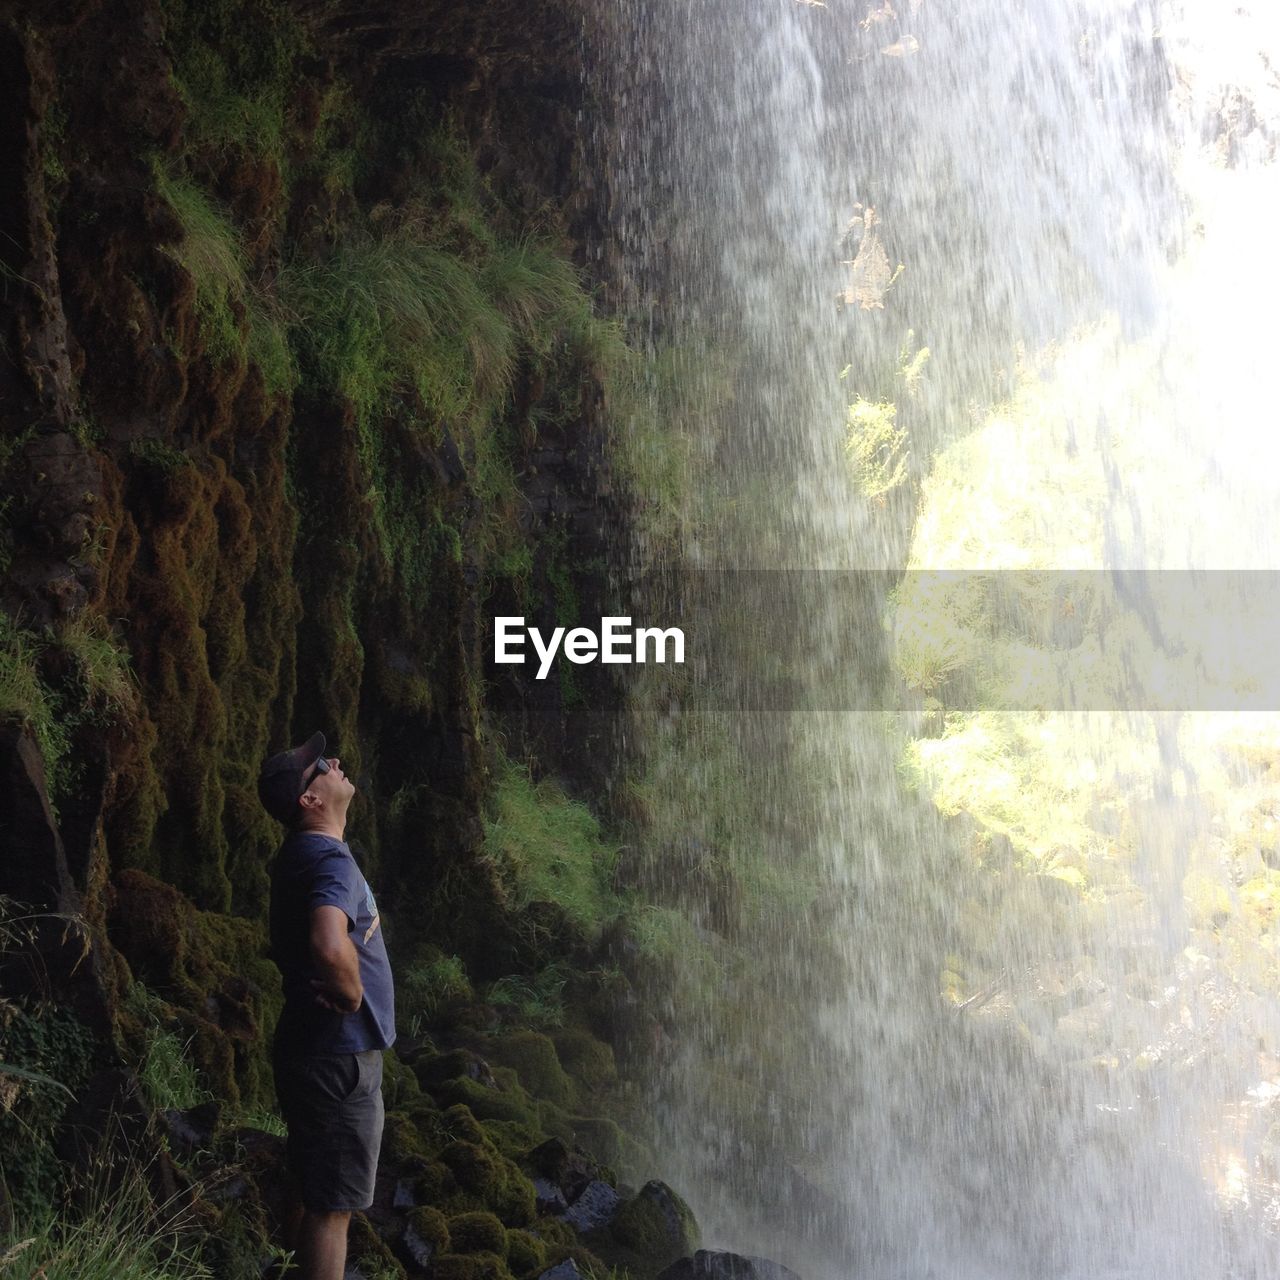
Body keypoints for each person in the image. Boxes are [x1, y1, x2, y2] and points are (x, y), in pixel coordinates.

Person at [258, 731, 396, 1280]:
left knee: (308, 1168)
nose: (333, 761)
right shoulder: (328, 862)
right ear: (310, 800)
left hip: (306, 1048)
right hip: (340, 1056)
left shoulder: (299, 855)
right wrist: (351, 991)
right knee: (333, 1207)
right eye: (319, 766)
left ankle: (284, 1267)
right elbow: (327, 939)